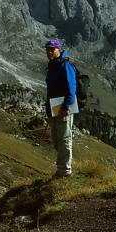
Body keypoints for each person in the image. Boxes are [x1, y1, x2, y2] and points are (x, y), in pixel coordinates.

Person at [44, 39, 76, 178]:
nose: (50, 52)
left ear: (59, 49)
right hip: (54, 107)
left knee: (64, 139)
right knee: (57, 139)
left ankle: (64, 172)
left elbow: (71, 87)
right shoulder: (52, 66)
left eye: (52, 49)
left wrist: (66, 106)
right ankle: (62, 169)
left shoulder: (65, 65)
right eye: (48, 50)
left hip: (63, 108)